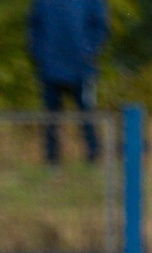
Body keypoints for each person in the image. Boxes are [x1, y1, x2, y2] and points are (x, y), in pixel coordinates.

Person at [27, 0, 110, 164]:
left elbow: (101, 28)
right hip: (50, 69)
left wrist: (88, 51)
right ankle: (52, 161)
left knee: (87, 114)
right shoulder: (43, 2)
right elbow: (34, 28)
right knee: (51, 117)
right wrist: (40, 56)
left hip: (81, 69)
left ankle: (93, 158)